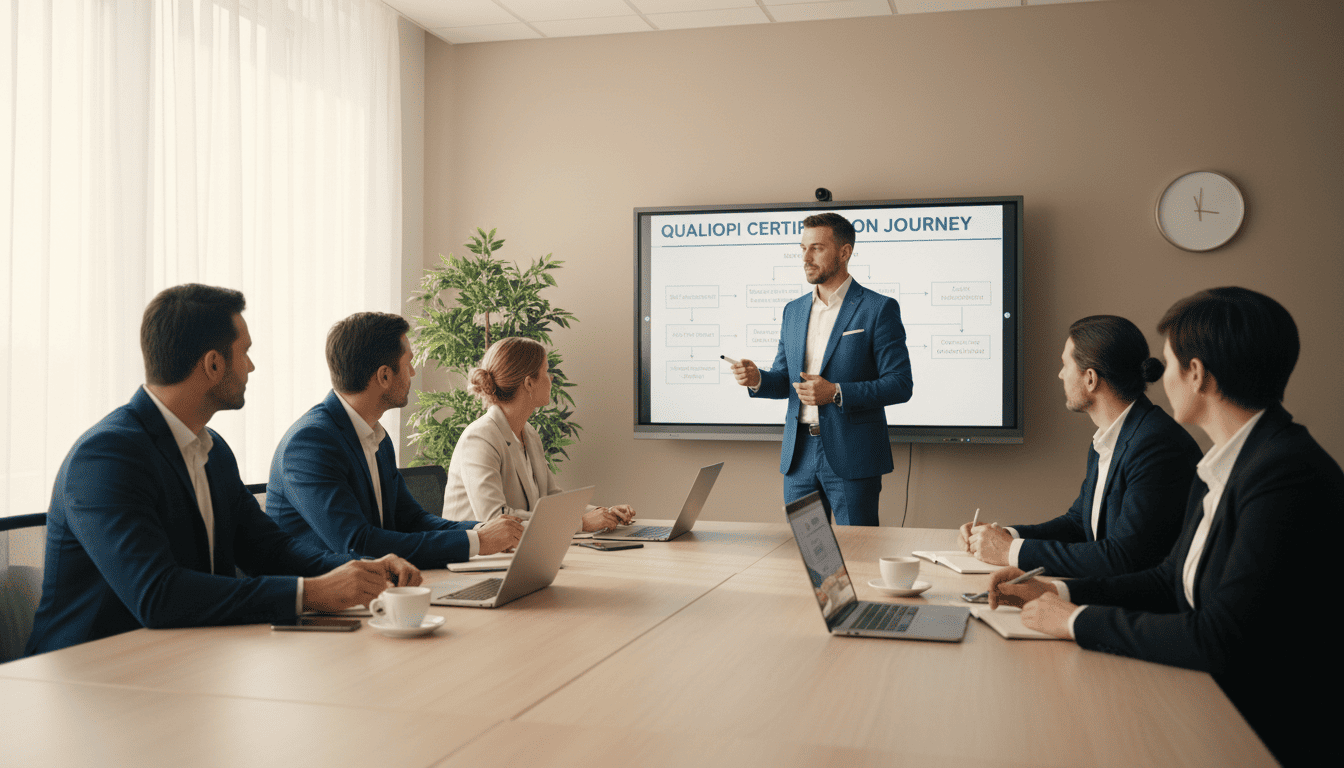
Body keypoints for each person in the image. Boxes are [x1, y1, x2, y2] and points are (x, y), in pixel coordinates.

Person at [989, 287, 1340, 766]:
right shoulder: (1230, 461)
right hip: (1215, 700)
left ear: (1196, 374)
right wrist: (1056, 591)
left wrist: (1073, 621)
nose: (1159, 378)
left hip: (1265, 733)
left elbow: (1221, 638)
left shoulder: (1284, 475)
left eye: (1170, 364)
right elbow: (1167, 581)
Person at [26, 285, 419, 656]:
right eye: (244, 352)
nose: (250, 365)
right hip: (88, 676)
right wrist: (311, 593)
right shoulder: (107, 457)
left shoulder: (213, 450)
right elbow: (158, 595)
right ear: (213, 364)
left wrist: (363, 571)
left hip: (189, 658)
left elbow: (270, 549)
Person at [266, 313, 522, 569]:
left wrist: (484, 529)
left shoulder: (376, 436)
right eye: (408, 362)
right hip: (322, 601)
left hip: (378, 588)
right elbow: (358, 544)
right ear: (384, 376)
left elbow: (412, 520)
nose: (412, 371)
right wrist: (477, 541)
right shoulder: (310, 443)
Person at [958, 316, 1201, 576]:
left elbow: (1123, 558)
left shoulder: (1155, 446)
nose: (1060, 374)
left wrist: (1010, 551)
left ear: (1090, 379)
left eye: (1065, 365)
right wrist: (1004, 536)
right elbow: (1079, 524)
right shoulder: (1111, 436)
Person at [729, 212, 912, 526]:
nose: (805, 257)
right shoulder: (794, 310)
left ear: (844, 252)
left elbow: (899, 384)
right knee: (814, 558)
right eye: (802, 249)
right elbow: (787, 380)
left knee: (858, 555)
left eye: (816, 248)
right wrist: (759, 379)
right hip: (799, 456)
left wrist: (836, 393)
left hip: (852, 455)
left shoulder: (878, 308)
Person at [442, 337, 636, 530]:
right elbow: (494, 518)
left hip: (517, 549)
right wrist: (581, 523)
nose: (551, 378)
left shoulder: (529, 434)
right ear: (529, 383)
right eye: (545, 371)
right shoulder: (479, 438)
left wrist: (604, 513)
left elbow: (552, 499)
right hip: (475, 556)